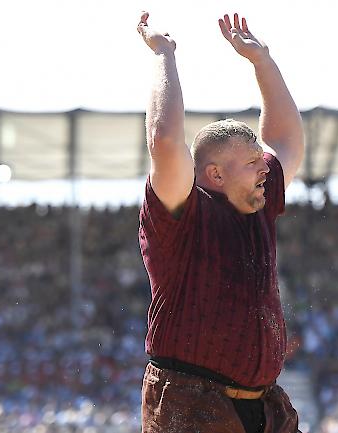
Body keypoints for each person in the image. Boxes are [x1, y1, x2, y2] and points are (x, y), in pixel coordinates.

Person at [136, 10, 305, 433]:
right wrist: (163, 53)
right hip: (189, 403)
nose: (265, 168)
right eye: (252, 162)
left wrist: (262, 62)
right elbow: (163, 140)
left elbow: (286, 141)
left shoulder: (258, 202)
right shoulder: (182, 210)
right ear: (215, 175)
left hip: (262, 407)